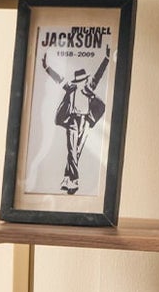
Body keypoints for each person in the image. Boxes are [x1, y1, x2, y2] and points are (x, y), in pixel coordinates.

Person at [43, 51, 111, 196]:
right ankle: (74, 181)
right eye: (83, 81)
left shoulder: (89, 88)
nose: (85, 82)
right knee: (72, 151)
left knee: (77, 152)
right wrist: (46, 67)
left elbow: (98, 75)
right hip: (73, 121)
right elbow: (58, 79)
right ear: (78, 82)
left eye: (85, 80)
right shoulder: (71, 87)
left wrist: (106, 58)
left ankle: (67, 179)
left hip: (86, 121)